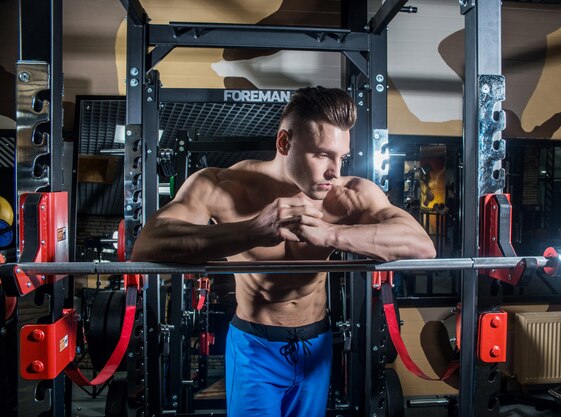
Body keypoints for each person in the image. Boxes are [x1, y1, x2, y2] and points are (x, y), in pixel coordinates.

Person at [132, 86, 436, 417]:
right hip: (254, 348)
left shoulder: (349, 195)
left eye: (341, 157)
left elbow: (420, 245)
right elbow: (148, 245)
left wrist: (332, 234)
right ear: (284, 143)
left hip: (316, 344)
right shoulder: (221, 187)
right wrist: (252, 231)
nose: (334, 171)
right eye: (321, 154)